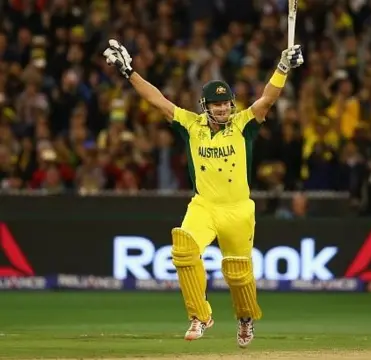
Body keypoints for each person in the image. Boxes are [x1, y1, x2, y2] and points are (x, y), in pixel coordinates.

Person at [103, 39, 303, 347]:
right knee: (183, 250)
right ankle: (200, 316)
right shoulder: (190, 125)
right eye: (217, 104)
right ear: (206, 106)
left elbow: (267, 99)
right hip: (204, 206)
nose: (223, 108)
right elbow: (157, 100)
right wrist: (129, 71)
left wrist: (283, 67)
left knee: (239, 274)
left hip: (238, 209)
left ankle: (245, 318)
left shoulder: (243, 125)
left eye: (226, 103)